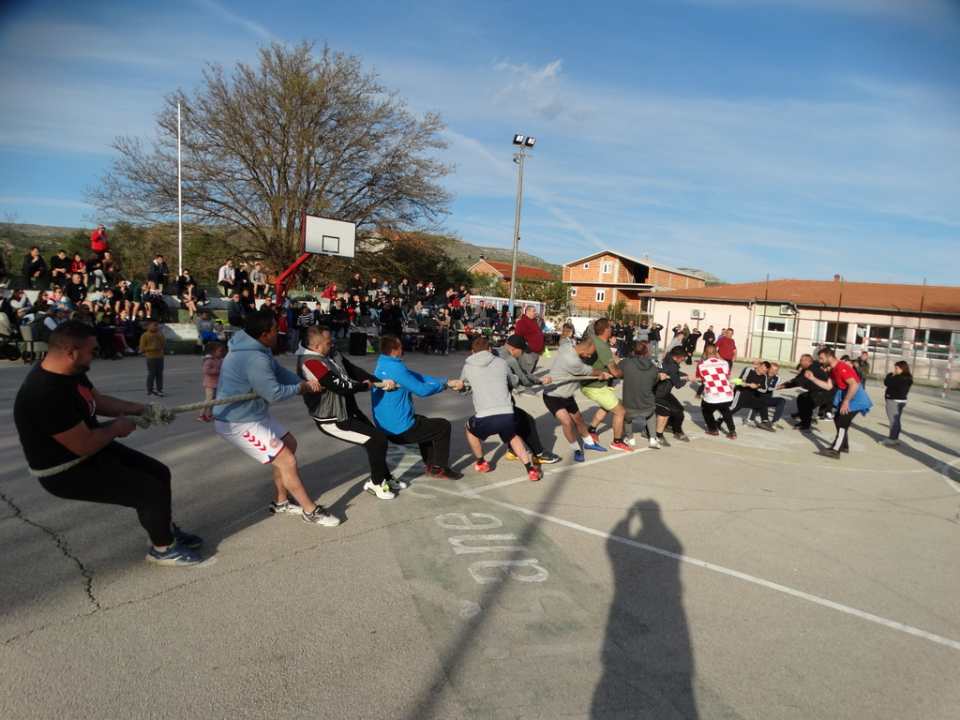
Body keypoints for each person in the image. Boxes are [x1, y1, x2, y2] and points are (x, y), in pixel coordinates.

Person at [13, 320, 203, 566]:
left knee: (159, 472)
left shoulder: (70, 371)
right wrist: (116, 428)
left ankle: (165, 531)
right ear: (71, 352)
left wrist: (145, 409)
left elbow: (99, 402)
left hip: (91, 450)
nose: (97, 355)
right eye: (93, 351)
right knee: (148, 490)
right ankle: (163, 549)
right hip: (67, 469)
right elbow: (83, 444)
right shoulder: (45, 394)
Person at [213, 309, 339, 525]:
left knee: (289, 444)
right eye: (274, 328)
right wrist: (302, 388)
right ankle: (311, 511)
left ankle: (280, 502)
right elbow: (274, 392)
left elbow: (280, 372)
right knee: (287, 460)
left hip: (254, 413)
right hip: (237, 423)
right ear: (264, 334)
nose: (279, 331)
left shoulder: (258, 348)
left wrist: (305, 383)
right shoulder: (253, 358)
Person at [298, 325, 406, 500]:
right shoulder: (310, 362)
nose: (332, 344)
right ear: (316, 347)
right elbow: (340, 387)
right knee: (377, 441)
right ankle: (376, 484)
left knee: (376, 440)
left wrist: (379, 382)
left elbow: (352, 369)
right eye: (328, 342)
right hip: (333, 419)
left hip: (349, 410)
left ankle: (384, 477)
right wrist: (365, 386)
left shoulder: (330, 353)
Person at [371, 334, 464, 479]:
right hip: (398, 430)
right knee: (443, 426)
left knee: (424, 422)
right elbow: (421, 390)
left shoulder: (382, 364)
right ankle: (440, 468)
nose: (403, 349)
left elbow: (418, 377)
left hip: (386, 427)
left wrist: (446, 380)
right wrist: (443, 385)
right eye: (401, 347)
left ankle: (431, 463)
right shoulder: (396, 367)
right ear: (395, 351)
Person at [461, 337, 543, 481]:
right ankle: (530, 470)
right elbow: (514, 381)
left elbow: (462, 388)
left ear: (472, 352)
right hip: (507, 414)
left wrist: (472, 385)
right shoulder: (501, 362)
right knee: (512, 434)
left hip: (485, 417)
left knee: (469, 428)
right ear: (490, 349)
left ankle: (481, 462)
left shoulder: (468, 366)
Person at [805, 348, 873, 459]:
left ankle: (836, 450)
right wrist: (812, 378)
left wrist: (846, 402)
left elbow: (854, 386)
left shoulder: (842, 368)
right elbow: (828, 386)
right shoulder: (835, 369)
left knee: (842, 421)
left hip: (856, 400)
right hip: (850, 398)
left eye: (822, 358)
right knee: (837, 419)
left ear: (829, 357)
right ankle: (844, 446)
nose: (821, 361)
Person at [582, 319, 632, 452]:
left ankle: (591, 430)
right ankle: (617, 441)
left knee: (607, 406)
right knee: (620, 411)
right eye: (610, 328)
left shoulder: (593, 339)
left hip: (592, 384)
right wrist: (627, 376)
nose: (612, 330)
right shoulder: (603, 346)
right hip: (594, 386)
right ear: (606, 330)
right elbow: (615, 371)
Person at [653, 345, 695, 447]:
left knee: (679, 408)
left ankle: (667, 425)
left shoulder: (667, 359)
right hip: (659, 394)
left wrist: (684, 374)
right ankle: (678, 432)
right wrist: (686, 379)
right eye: (681, 359)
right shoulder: (673, 366)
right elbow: (678, 384)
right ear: (675, 357)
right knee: (678, 413)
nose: (682, 361)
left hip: (664, 392)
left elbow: (675, 374)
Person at [695, 344, 737, 438]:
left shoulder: (701, 365)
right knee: (725, 410)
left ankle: (712, 429)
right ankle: (732, 431)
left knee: (706, 411)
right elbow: (727, 376)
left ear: (705, 354)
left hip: (712, 396)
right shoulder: (725, 363)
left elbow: (699, 378)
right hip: (728, 394)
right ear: (716, 353)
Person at [880, 361, 912, 447]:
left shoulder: (900, 378)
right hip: (901, 401)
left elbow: (887, 382)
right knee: (896, 420)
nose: (895, 370)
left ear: (902, 368)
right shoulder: (908, 378)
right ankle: (895, 438)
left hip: (894, 400)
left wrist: (890, 374)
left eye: (897, 368)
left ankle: (892, 439)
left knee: (893, 420)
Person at [746, 362, 787, 428]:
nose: (773, 372)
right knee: (758, 400)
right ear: (768, 369)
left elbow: (772, 388)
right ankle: (750, 420)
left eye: (775, 371)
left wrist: (765, 387)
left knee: (781, 401)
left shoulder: (777, 377)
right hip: (758, 396)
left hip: (768, 398)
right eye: (772, 369)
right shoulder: (762, 374)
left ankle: (775, 422)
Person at [194, 341, 225, 423]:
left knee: (214, 400)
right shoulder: (209, 360)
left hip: (217, 383)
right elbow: (207, 370)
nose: (221, 353)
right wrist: (219, 371)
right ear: (212, 352)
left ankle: (211, 413)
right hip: (210, 384)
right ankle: (201, 414)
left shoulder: (219, 360)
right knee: (209, 399)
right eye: (219, 351)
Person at [514, 305, 545, 376]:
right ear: (527, 312)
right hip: (528, 353)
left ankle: (527, 387)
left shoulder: (534, 322)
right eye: (533, 311)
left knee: (530, 374)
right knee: (525, 374)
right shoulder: (522, 322)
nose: (535, 313)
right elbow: (517, 337)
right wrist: (524, 348)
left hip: (536, 352)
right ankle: (520, 386)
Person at [139, 319, 166, 397]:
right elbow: (142, 347)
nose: (156, 327)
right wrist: (153, 348)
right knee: (151, 374)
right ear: (148, 326)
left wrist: (161, 334)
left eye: (157, 325)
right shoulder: (145, 335)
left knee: (159, 374)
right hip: (151, 357)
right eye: (154, 325)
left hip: (160, 356)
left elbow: (163, 343)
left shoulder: (158, 334)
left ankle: (159, 389)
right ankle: (150, 390)